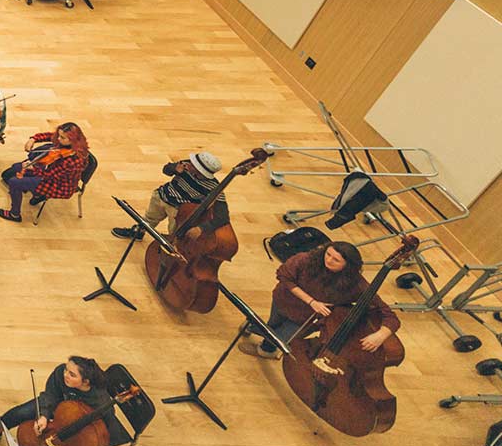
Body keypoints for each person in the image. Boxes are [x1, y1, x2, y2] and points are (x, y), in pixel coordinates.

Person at [240, 241, 399, 359]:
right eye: (328, 254)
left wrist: (381, 335)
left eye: (336, 260)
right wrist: (311, 301)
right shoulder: (306, 259)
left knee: (280, 337)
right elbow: (284, 276)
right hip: (284, 300)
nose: (328, 260)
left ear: (347, 265)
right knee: (273, 323)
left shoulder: (356, 284)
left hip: (304, 318)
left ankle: (266, 349)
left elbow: (389, 315)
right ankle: (254, 326)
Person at [0, 356, 112, 442]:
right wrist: (44, 415)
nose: (65, 374)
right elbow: (50, 394)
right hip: (55, 404)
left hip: (77, 422)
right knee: (19, 413)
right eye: (66, 370)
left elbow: (105, 424)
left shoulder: (100, 401)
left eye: (72, 374)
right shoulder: (61, 373)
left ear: (85, 382)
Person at [112, 152, 223, 240]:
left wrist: (202, 227)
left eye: (193, 165)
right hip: (162, 196)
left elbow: (221, 214)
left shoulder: (213, 187)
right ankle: (138, 232)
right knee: (149, 218)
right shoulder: (185, 165)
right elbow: (166, 169)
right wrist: (174, 169)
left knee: (174, 233)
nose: (189, 164)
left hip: (177, 210)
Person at [0, 122, 89, 223]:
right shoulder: (63, 141)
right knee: (15, 168)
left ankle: (14, 214)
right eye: (59, 135)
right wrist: (33, 139)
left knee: (14, 182)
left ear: (73, 140)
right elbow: (50, 136)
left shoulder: (74, 160)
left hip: (59, 184)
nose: (58, 139)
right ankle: (37, 195)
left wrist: (32, 168)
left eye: (62, 138)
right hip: (48, 171)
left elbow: (49, 175)